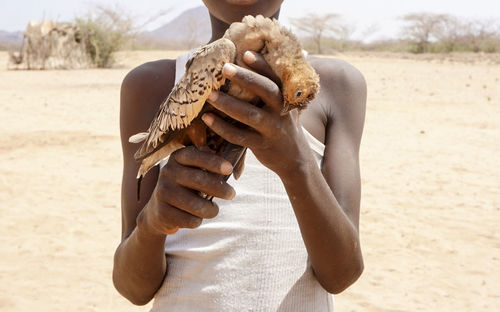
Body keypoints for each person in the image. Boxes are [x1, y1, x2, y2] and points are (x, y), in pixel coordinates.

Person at [113, 0, 366, 310]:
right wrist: (153, 222)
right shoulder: (151, 85)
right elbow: (132, 287)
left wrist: (296, 165)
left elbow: (342, 274)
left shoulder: (336, 86)